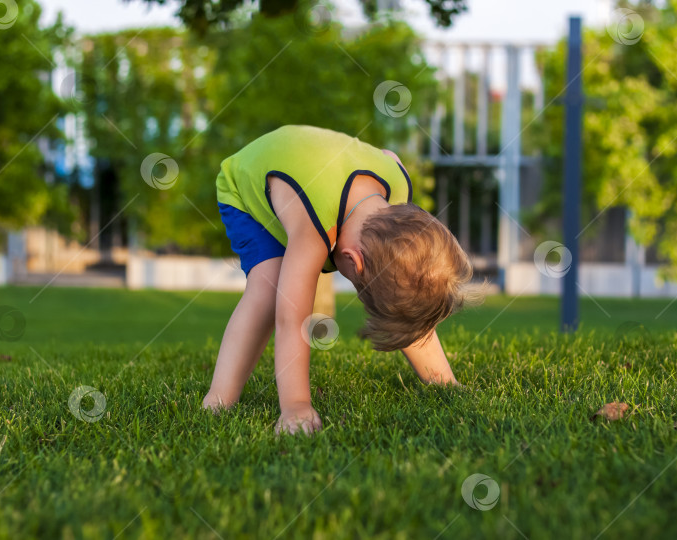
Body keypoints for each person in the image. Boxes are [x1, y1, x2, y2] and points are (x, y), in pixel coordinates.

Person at [202, 125, 478, 434]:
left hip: (310, 170)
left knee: (407, 283)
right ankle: (218, 400)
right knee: (269, 290)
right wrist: (296, 407)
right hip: (251, 188)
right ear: (354, 261)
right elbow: (292, 319)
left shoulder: (397, 190)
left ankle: (444, 382)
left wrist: (446, 384)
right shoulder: (314, 227)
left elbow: (390, 157)